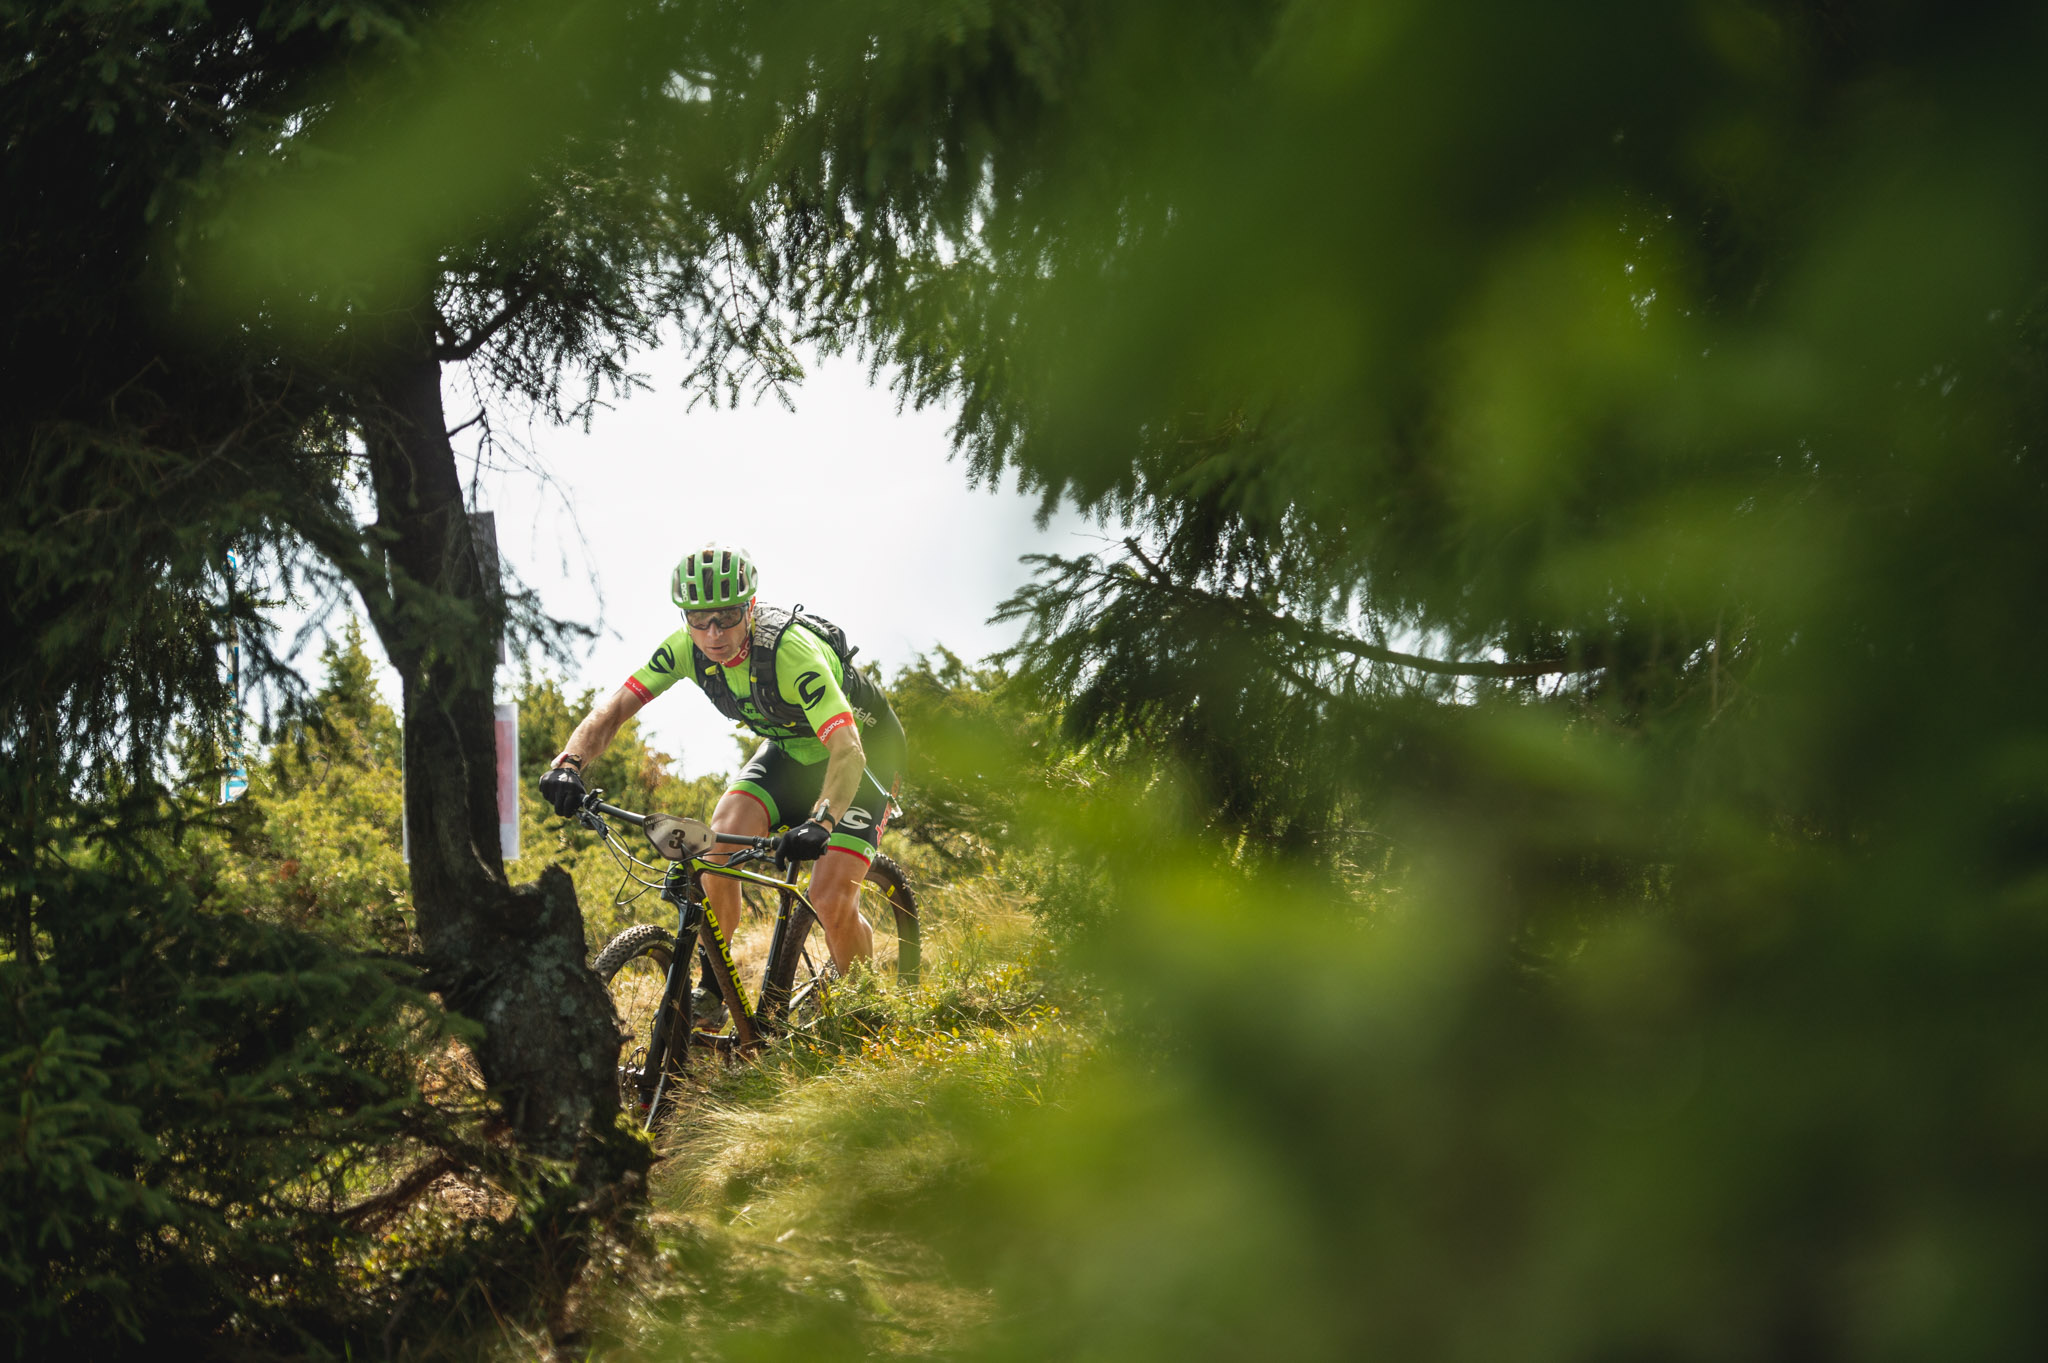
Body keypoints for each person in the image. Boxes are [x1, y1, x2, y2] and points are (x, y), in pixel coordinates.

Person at [538, 543, 906, 991]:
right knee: (715, 847)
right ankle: (716, 987)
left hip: (862, 753)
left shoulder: (792, 653)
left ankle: (868, 1008)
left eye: (727, 617)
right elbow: (614, 710)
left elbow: (848, 750)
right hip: (791, 751)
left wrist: (822, 821)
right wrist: (569, 763)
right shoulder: (684, 650)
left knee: (829, 899)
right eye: (699, 620)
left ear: (750, 608)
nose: (713, 633)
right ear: (686, 619)